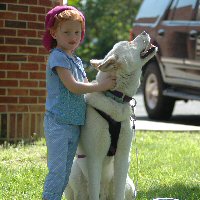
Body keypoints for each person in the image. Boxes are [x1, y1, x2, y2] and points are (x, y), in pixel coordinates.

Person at [42, 5, 116, 200]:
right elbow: (74, 87)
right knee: (57, 172)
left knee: (65, 172)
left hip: (74, 125)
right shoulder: (58, 57)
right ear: (54, 32)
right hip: (58, 124)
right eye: (66, 32)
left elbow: (86, 86)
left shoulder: (75, 60)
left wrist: (106, 90)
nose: (73, 36)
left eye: (77, 32)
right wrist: (101, 86)